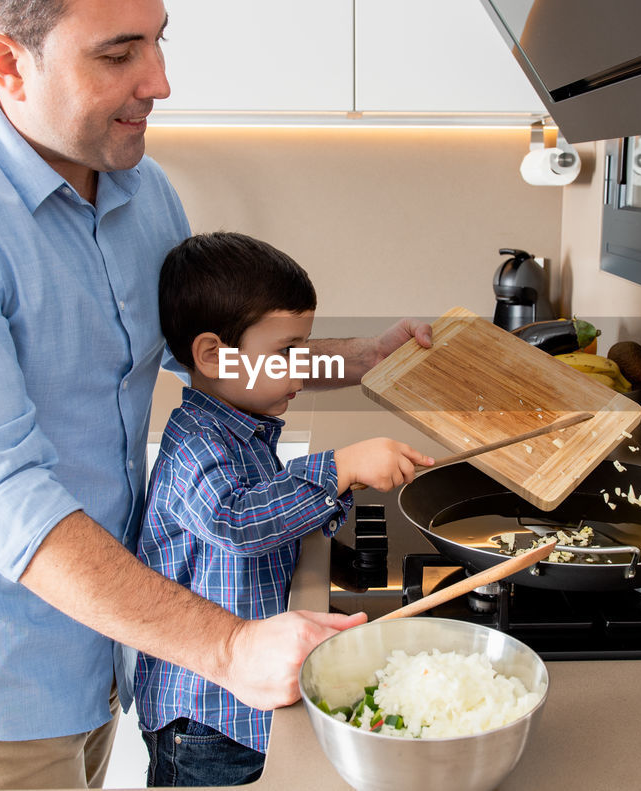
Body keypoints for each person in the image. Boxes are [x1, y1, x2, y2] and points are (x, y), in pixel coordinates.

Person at [0, 0, 431, 789]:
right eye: (119, 52)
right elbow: (6, 500)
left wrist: (352, 363)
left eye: (157, 40)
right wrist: (226, 646)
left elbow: (215, 362)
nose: (160, 81)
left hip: (117, 643)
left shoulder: (144, 194)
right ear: (8, 61)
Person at [133, 232, 432, 786]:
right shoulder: (195, 442)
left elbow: (268, 525)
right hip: (204, 721)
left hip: (237, 713)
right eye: (286, 352)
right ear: (210, 355)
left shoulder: (243, 430)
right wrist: (339, 467)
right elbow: (237, 522)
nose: (302, 370)